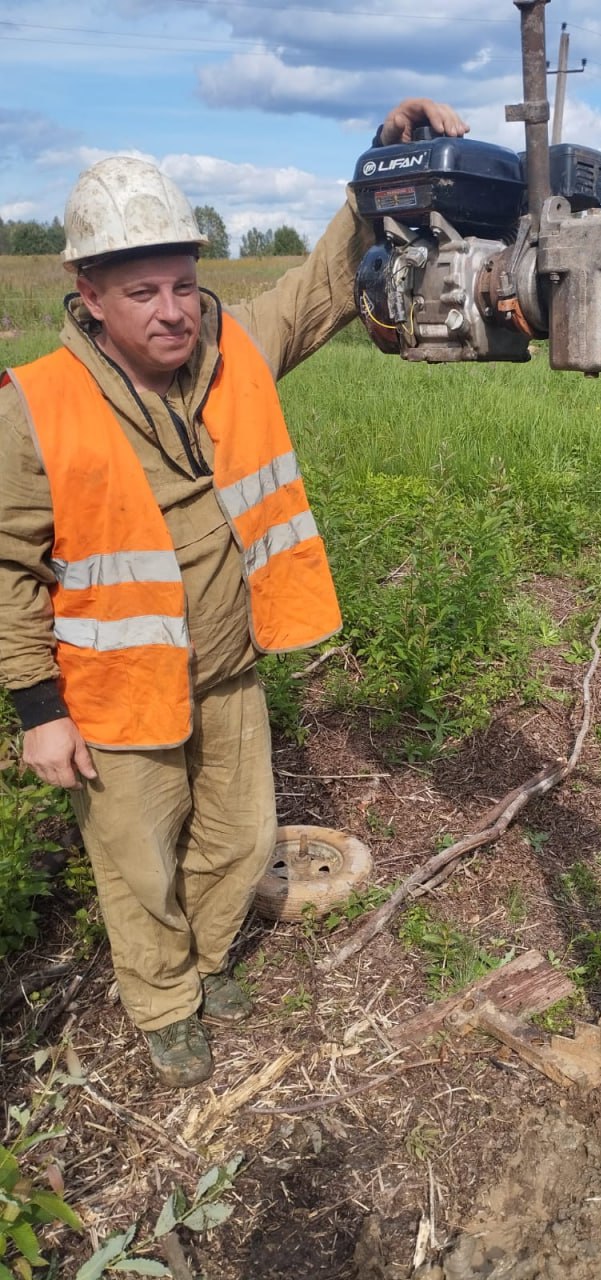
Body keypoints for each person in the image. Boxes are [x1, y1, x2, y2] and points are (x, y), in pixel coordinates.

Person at [0, 98, 468, 1088]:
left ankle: (209, 960)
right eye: (141, 292)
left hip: (225, 666)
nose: (171, 310)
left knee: (240, 837)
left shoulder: (234, 349)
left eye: (182, 283)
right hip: (114, 690)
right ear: (89, 295)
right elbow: (7, 569)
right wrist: (39, 711)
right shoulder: (35, 406)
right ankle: (164, 1003)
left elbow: (322, 285)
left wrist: (379, 174)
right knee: (139, 865)